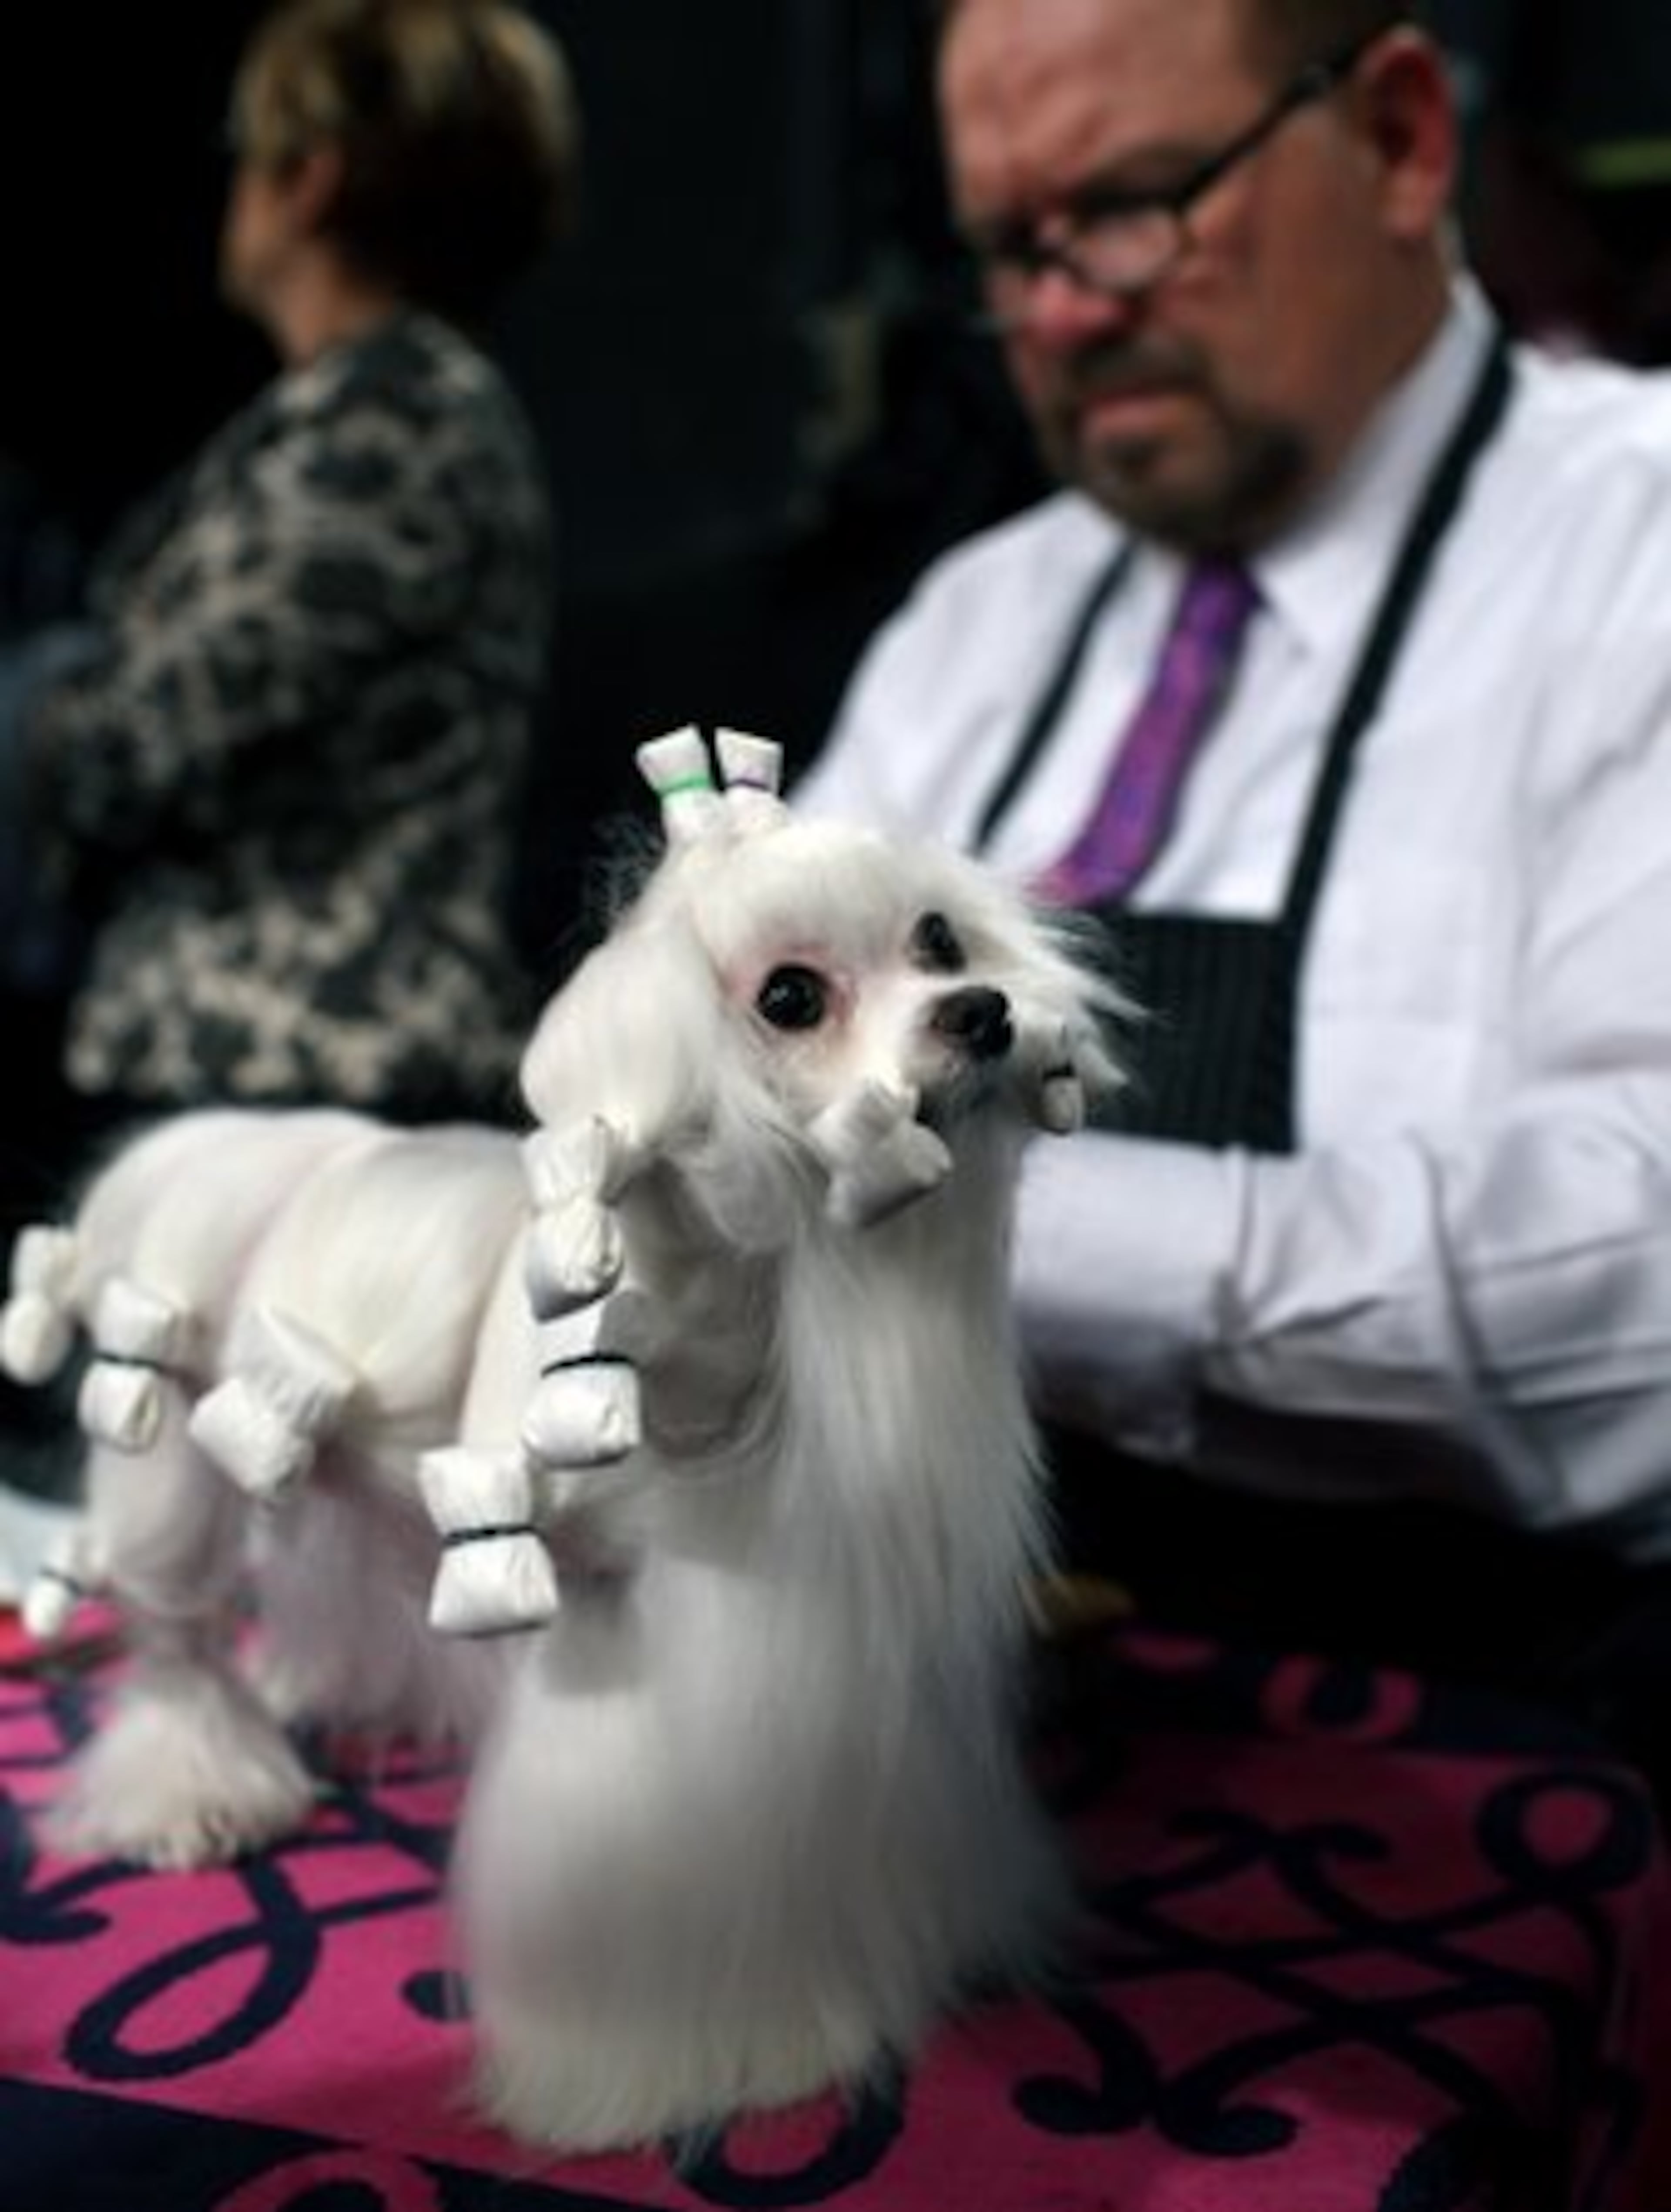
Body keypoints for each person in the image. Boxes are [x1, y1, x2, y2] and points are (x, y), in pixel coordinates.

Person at [798, 0, 1671, 1772]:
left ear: (1403, 137)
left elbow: (1638, 1280)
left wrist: (966, 1228)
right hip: (967, 1739)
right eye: (1007, 248)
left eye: (1132, 204)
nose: (1058, 311)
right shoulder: (979, 622)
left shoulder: (1637, 546)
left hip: (1495, 1766)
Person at [14, 0, 579, 1135]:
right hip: (251, 1090)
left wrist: (41, 704)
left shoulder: (397, 424)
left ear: (310, 178)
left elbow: (134, 739)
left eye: (247, 157)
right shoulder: (351, 414)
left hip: (310, 1094)